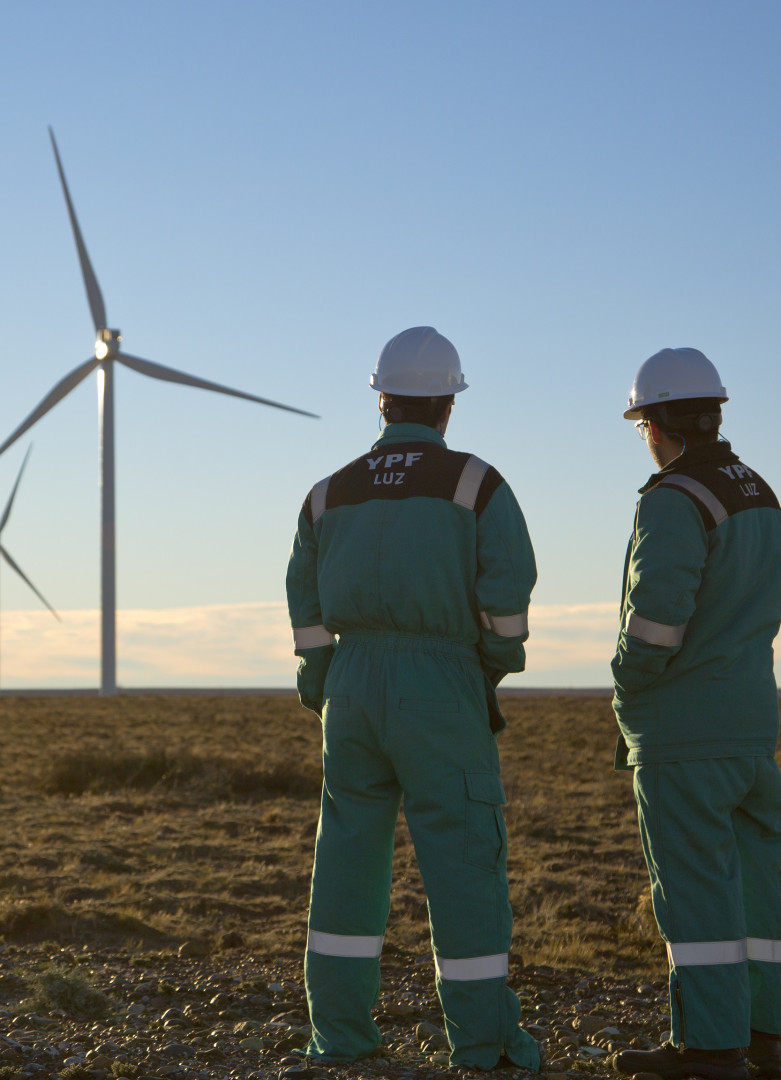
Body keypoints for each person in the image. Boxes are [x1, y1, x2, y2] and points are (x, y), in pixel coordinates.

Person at [284, 326, 540, 1070]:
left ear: (382, 399)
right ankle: (484, 1043)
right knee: (463, 865)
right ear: (447, 406)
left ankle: (339, 1035)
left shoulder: (328, 492)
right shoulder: (476, 484)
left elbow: (303, 604)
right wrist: (488, 668)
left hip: (351, 690)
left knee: (345, 865)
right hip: (443, 685)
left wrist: (321, 685)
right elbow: (507, 599)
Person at [608, 348, 781, 1080]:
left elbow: (656, 620)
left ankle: (710, 1049)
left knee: (695, 891)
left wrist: (628, 680)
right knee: (758, 888)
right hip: (751, 724)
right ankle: (762, 1039)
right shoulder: (759, 493)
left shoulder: (673, 497)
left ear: (653, 421)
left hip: (684, 729)